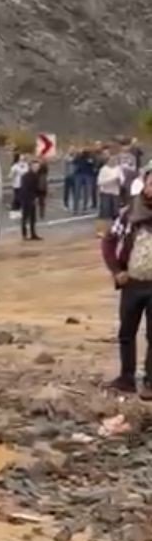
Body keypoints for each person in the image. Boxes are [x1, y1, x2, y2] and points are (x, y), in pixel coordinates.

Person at [101, 170, 152, 399]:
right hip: (132, 283)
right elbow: (109, 241)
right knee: (127, 333)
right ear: (145, 185)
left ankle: (150, 381)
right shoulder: (129, 213)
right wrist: (116, 270)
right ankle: (127, 378)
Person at [97, 156, 124, 235]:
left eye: (115, 160)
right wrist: (112, 179)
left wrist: (120, 181)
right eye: (112, 160)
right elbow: (100, 182)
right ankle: (102, 230)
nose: (114, 162)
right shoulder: (104, 170)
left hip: (115, 192)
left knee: (116, 212)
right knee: (105, 212)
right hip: (106, 192)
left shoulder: (118, 169)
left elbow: (122, 180)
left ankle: (115, 229)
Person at [20, 159, 42, 242]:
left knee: (33, 217)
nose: (37, 168)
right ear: (31, 167)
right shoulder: (26, 176)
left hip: (31, 198)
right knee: (25, 217)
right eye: (35, 166)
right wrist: (32, 198)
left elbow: (36, 188)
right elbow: (26, 189)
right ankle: (24, 234)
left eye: (38, 167)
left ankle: (33, 234)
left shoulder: (36, 175)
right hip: (26, 199)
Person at [63, 147, 77, 211]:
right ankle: (66, 204)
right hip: (68, 176)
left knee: (74, 191)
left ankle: (75, 204)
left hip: (74, 177)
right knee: (67, 191)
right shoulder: (66, 156)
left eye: (73, 150)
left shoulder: (75, 156)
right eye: (71, 150)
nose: (72, 151)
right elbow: (71, 160)